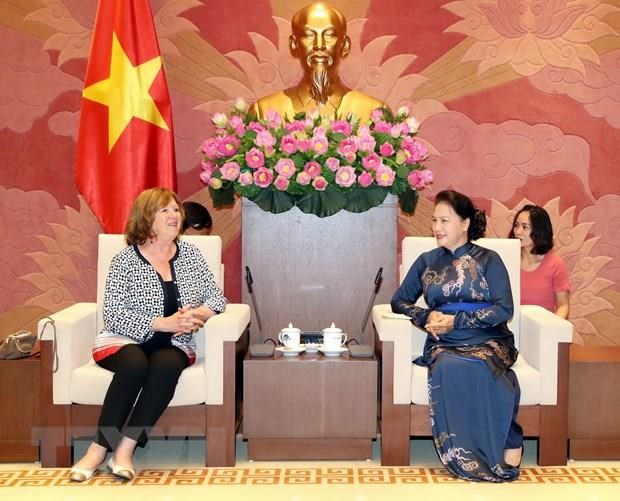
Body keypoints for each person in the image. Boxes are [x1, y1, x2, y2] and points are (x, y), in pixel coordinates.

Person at [69, 188, 226, 482]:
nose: (174, 215)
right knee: (135, 365)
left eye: (176, 210)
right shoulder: (125, 260)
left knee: (166, 367)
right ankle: (98, 448)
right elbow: (113, 314)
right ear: (147, 217)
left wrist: (198, 315)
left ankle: (125, 450)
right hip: (124, 340)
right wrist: (162, 323)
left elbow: (217, 299)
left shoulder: (192, 255)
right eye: (164, 210)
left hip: (174, 344)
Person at [391, 190, 523, 482]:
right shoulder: (426, 261)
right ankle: (467, 457)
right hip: (445, 344)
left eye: (445, 220)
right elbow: (398, 301)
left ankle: (507, 438)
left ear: (464, 224)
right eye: (435, 220)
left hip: (489, 338)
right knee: (450, 365)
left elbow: (505, 309)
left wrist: (457, 321)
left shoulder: (490, 259)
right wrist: (425, 316)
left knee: (480, 364)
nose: (437, 227)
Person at [251, 2, 384, 122]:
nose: (319, 45)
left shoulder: (374, 113)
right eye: (309, 35)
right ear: (294, 45)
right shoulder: (263, 112)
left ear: (344, 45)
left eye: (329, 35)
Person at [509, 204, 570, 319]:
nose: (518, 232)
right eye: (516, 225)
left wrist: (551, 329)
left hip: (543, 330)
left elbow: (563, 305)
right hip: (511, 331)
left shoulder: (555, 264)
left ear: (539, 231)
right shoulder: (507, 260)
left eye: (525, 227)